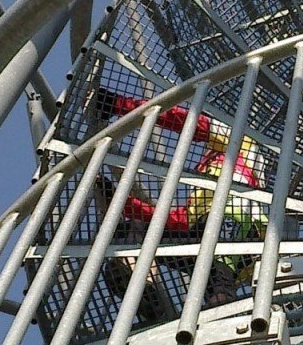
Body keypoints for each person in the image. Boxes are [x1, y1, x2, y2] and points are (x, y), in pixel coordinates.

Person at [93, 86, 264, 318]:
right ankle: (148, 295)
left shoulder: (240, 143)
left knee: (219, 271)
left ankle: (219, 315)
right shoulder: (207, 178)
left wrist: (117, 104)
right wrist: (118, 200)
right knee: (131, 232)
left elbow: (183, 121)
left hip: (236, 220)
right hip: (206, 231)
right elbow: (177, 221)